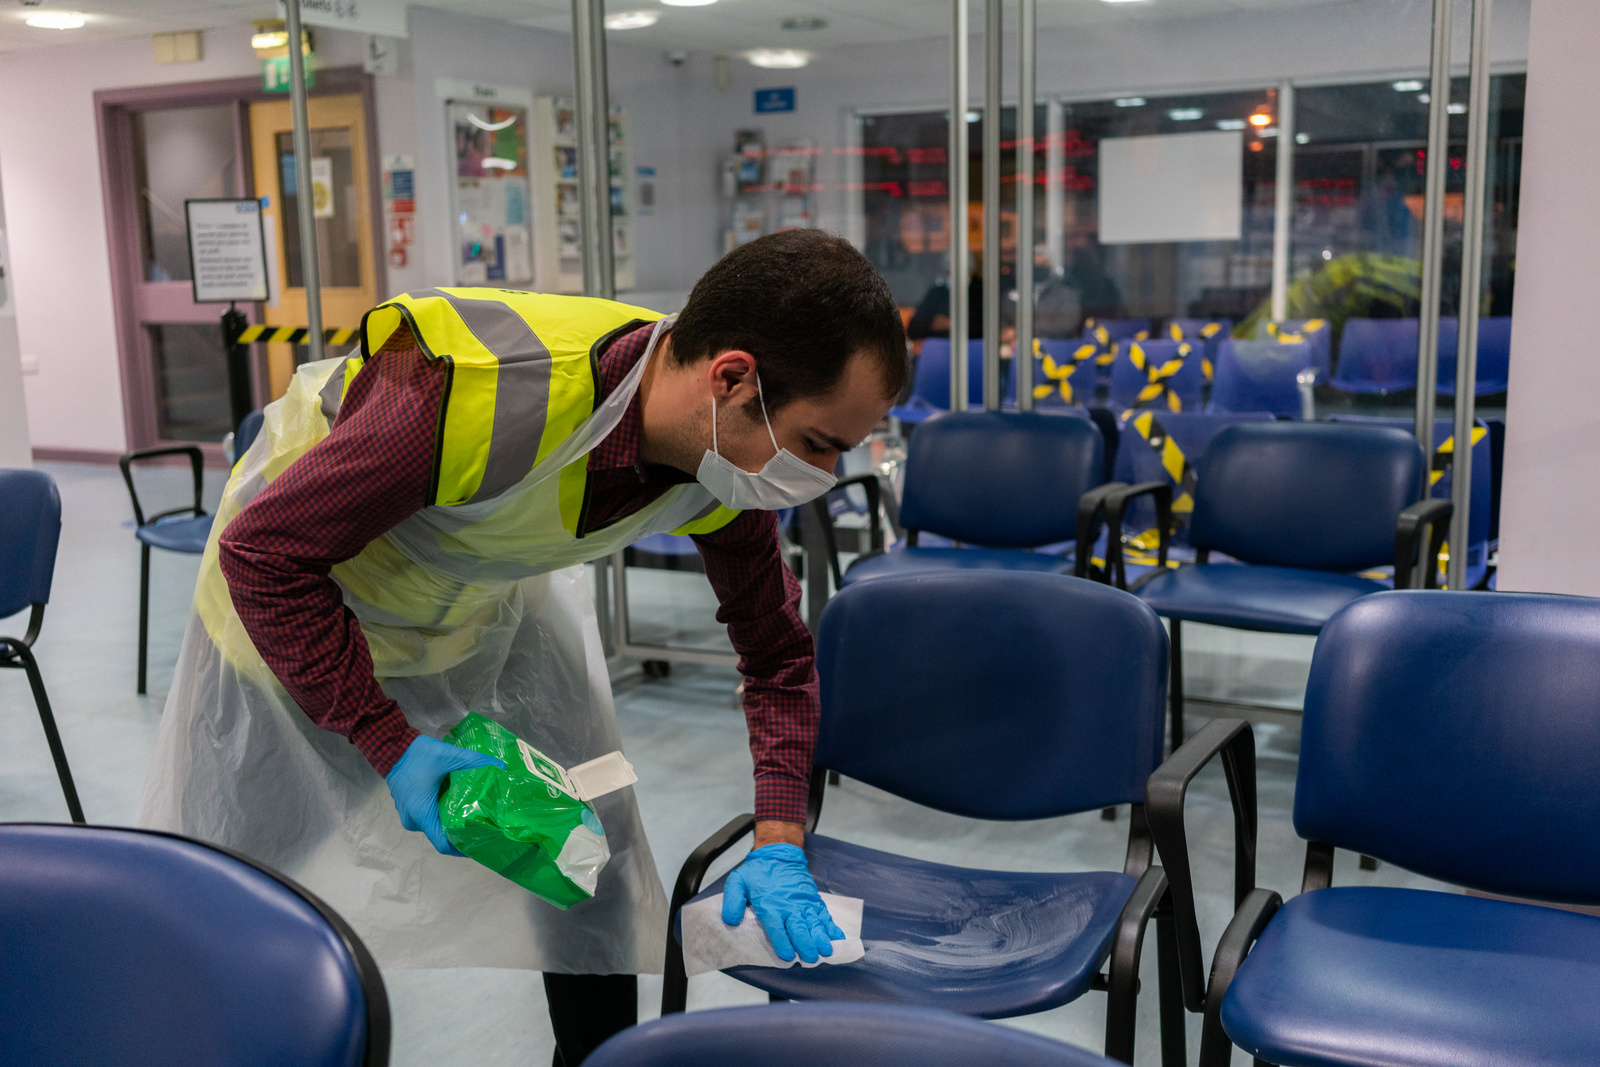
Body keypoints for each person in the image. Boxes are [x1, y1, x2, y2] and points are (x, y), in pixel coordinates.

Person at [138, 230, 908, 1066]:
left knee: (593, 855)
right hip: (296, 614)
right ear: (732, 379)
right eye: (821, 443)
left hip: (480, 606)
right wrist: (388, 741)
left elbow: (778, 657)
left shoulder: (725, 464)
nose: (825, 477)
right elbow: (267, 555)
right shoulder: (465, 392)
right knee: (236, 901)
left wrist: (781, 837)